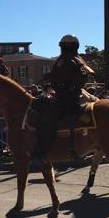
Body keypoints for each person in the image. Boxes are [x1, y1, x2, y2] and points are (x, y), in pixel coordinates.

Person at [35, 34, 94, 162]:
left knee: (47, 118)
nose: (61, 49)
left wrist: (49, 77)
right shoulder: (79, 60)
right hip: (74, 94)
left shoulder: (67, 60)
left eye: (62, 46)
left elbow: (61, 76)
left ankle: (44, 150)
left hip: (66, 97)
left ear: (66, 46)